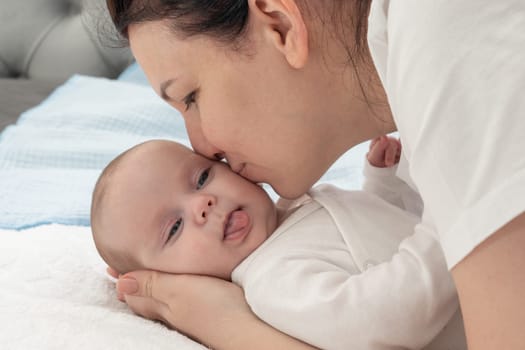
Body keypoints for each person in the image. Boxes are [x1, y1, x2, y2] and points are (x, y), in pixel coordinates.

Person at [103, 1, 525, 349]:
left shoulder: (446, 43)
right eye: (174, 227)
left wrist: (224, 325)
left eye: (190, 97)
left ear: (281, 26)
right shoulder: (272, 279)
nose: (203, 147)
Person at [91, 138, 465, 350]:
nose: (201, 204)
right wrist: (448, 225)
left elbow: (375, 244)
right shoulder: (273, 283)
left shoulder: (296, 204)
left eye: (202, 177)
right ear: (166, 277)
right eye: (173, 228)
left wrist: (385, 188)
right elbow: (387, 319)